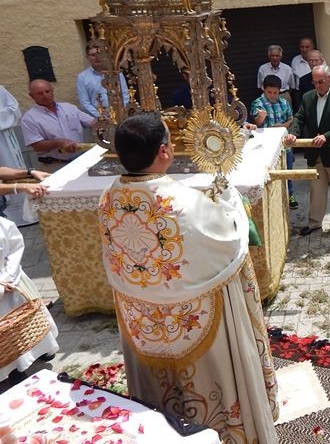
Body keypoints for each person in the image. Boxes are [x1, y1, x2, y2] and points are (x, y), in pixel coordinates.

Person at [98, 113, 279, 442]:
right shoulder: (181, 203)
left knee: (163, 396)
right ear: (164, 152)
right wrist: (230, 200)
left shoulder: (108, 200)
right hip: (194, 321)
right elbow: (228, 239)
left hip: (144, 322)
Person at [285, 65, 330, 235]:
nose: (317, 86)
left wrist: (327, 137)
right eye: (314, 82)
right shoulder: (308, 97)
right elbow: (299, 117)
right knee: (316, 189)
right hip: (314, 153)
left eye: (320, 82)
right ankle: (314, 222)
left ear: (329, 79)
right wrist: (293, 133)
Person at [0, 215, 59, 384]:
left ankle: (41, 348)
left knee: (28, 321)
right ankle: (12, 369)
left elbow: (14, 246)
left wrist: (9, 278)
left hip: (11, 279)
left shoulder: (4, 224)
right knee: (7, 337)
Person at [21, 80, 97, 171]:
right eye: (40, 93)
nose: (45, 95)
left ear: (52, 91)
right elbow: (37, 145)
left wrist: (106, 120)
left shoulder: (69, 108)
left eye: (47, 91)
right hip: (55, 166)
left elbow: (92, 122)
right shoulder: (29, 118)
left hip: (81, 161)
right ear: (32, 96)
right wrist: (59, 142)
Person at [251, 75, 299, 210]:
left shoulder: (284, 103)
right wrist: (261, 117)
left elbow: (291, 119)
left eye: (275, 93)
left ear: (280, 91)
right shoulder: (258, 103)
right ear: (263, 89)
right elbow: (257, 123)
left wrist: (282, 126)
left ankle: (290, 195)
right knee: (269, 174)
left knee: (288, 171)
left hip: (284, 144)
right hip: (266, 147)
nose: (272, 95)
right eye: (269, 92)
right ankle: (271, 200)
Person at [0, 87, 31, 225]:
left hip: (5, 138)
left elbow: (15, 110)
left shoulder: (0, 89)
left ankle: (23, 213)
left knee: (11, 167)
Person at [76, 43, 129, 117]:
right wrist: (101, 116)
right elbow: (84, 103)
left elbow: (125, 94)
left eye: (100, 53)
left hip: (120, 115)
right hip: (99, 120)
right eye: (93, 55)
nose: (97, 57)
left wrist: (120, 111)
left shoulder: (116, 72)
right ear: (87, 57)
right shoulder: (82, 77)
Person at [290, 37, 315, 110]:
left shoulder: (318, 58)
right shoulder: (295, 60)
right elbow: (292, 79)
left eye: (307, 47)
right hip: (300, 94)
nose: (304, 49)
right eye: (302, 47)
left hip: (315, 92)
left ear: (312, 47)